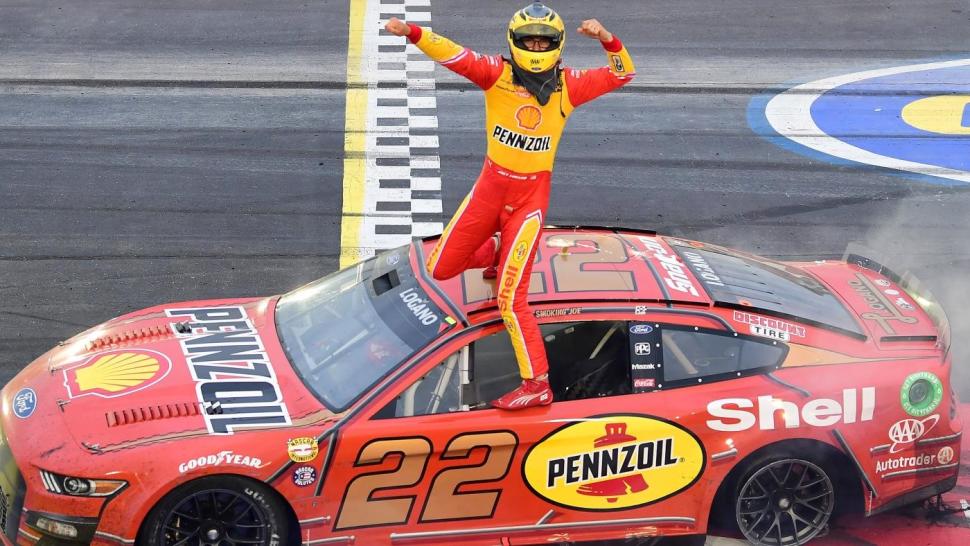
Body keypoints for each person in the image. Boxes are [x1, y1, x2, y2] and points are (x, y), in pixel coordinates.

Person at [385, 2, 635, 410]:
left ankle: (537, 383)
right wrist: (411, 32)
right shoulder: (495, 74)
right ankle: (503, 253)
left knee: (509, 298)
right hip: (489, 189)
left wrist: (607, 38)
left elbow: (624, 72)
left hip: (529, 202)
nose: (536, 47)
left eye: (544, 41)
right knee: (440, 267)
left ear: (558, 44)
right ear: (514, 42)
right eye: (529, 40)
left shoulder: (570, 85)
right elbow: (453, 53)